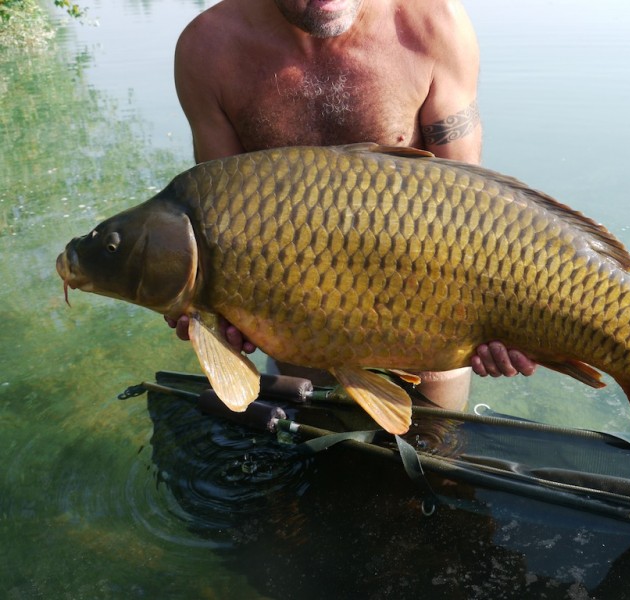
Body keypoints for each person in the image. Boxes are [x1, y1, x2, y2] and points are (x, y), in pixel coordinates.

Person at [169, 0, 536, 409]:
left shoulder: (435, 25)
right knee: (311, 463)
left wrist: (502, 329)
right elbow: (221, 221)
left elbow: (471, 212)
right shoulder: (207, 51)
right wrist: (206, 306)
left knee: (438, 460)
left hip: (431, 317)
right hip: (301, 327)